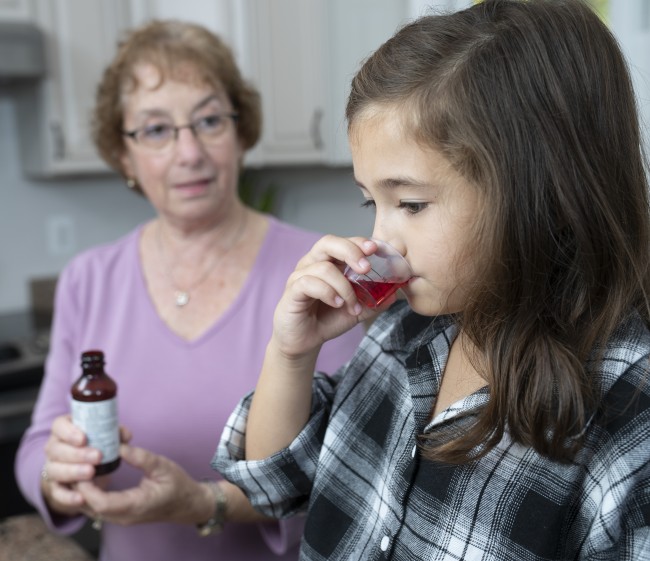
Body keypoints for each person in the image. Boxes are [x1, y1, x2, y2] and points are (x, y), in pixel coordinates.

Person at [212, 1, 650, 559]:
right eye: (371, 201)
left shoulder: (627, 406)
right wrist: (290, 354)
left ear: (539, 190)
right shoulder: (401, 330)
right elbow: (272, 485)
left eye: (412, 204)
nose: (380, 241)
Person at [15, 19, 365, 561]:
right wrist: (53, 474)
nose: (189, 152)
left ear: (241, 131)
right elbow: (38, 442)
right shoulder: (88, 278)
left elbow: (345, 471)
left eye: (208, 121)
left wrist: (204, 502)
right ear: (124, 156)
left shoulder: (316, 274)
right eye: (156, 130)